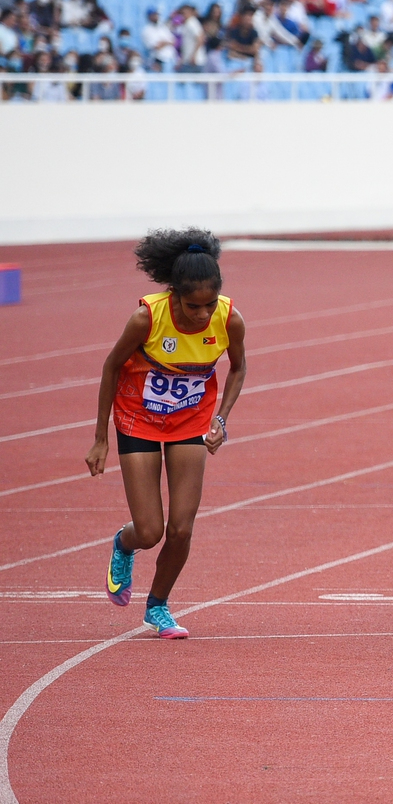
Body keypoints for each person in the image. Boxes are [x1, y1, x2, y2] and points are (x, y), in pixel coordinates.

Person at [87, 230, 249, 638]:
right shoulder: (147, 317)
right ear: (174, 294)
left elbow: (239, 367)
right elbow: (110, 367)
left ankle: (158, 607)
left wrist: (222, 420)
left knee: (181, 528)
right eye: (193, 306)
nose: (201, 314)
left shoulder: (229, 318)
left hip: (189, 421)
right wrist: (100, 438)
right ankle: (125, 544)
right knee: (150, 531)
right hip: (138, 417)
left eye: (209, 304)